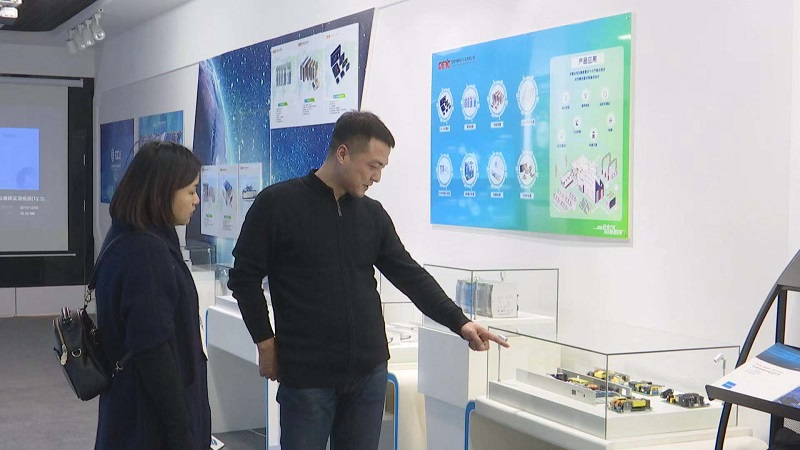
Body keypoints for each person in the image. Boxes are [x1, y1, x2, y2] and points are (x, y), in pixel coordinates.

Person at [228, 111, 509, 450]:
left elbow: (410, 275)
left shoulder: (372, 215)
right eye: (373, 166)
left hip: (368, 374)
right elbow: (243, 278)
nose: (376, 177)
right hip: (307, 377)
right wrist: (265, 342)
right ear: (343, 154)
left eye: (382, 168)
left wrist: (460, 322)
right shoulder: (277, 204)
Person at [94, 141, 211, 450]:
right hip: (149, 421)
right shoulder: (145, 252)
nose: (196, 200)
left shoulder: (130, 235)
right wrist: (180, 431)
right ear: (163, 191)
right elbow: (152, 349)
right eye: (191, 191)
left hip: (132, 409)